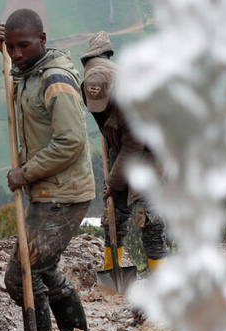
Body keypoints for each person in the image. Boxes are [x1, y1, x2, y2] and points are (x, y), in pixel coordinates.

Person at [0, 8, 96, 331]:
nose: (16, 53)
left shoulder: (56, 80)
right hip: (50, 190)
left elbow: (71, 141)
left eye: (23, 45)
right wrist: (4, 55)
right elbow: (19, 88)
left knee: (22, 274)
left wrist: (26, 173)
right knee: (43, 269)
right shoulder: (29, 72)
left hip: (64, 193)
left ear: (42, 40)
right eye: (11, 47)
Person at [80, 32, 168, 272]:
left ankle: (161, 276)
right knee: (113, 218)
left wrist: (114, 181)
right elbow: (111, 135)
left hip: (149, 158)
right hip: (123, 154)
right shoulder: (91, 84)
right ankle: (113, 273)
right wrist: (114, 182)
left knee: (148, 220)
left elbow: (133, 146)